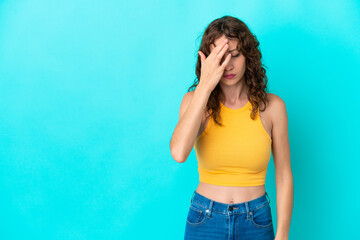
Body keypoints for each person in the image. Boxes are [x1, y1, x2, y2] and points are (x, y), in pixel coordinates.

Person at [170, 16, 293, 240]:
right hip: (204, 219)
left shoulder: (273, 107)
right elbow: (178, 153)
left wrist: (283, 234)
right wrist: (205, 85)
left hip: (256, 220)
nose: (228, 65)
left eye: (235, 55)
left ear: (248, 57)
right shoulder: (195, 102)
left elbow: (284, 175)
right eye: (220, 57)